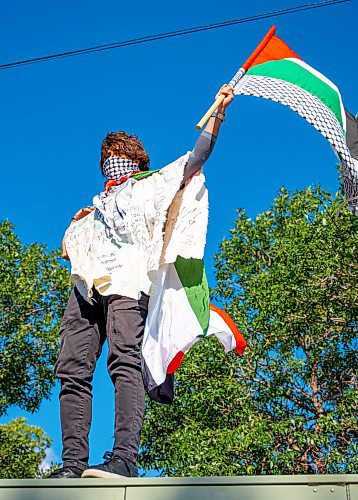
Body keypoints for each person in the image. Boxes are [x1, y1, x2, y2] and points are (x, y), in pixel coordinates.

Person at [50, 85, 234, 479]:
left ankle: (122, 459)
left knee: (124, 360)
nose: (112, 162)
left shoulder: (150, 186)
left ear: (135, 161)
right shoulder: (91, 211)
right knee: (71, 369)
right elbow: (71, 247)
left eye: (120, 156)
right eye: (107, 158)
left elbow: (195, 158)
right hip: (85, 290)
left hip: (128, 284)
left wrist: (217, 113)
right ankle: (72, 464)